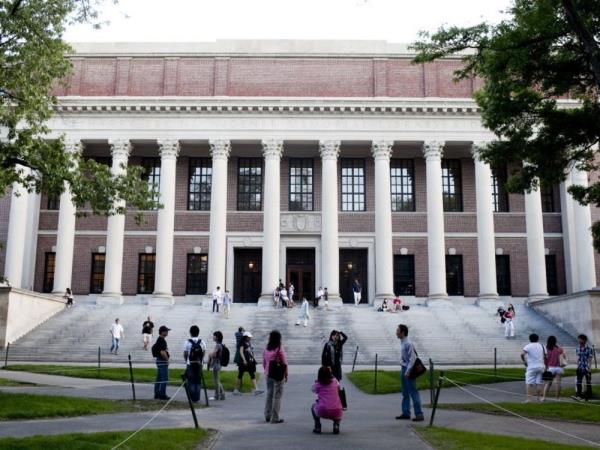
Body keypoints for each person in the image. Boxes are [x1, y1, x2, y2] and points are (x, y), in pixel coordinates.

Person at [395, 324, 424, 422]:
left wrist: (408, 371)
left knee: (413, 391)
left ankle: (419, 414)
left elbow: (412, 359)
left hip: (409, 369)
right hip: (404, 367)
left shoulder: (408, 343)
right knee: (405, 392)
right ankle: (406, 412)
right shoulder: (403, 342)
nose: (396, 332)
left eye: (398, 330)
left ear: (403, 332)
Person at [263, 330, 288, 424]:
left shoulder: (266, 348)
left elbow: (264, 362)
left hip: (268, 374)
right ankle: (275, 417)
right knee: (277, 396)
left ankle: (267, 415)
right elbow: (284, 363)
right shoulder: (279, 348)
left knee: (269, 394)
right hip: (278, 374)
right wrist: (286, 374)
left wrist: (266, 371)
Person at [311, 366, 343, 435]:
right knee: (338, 409)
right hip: (336, 410)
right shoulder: (335, 381)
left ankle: (317, 426)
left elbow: (313, 389)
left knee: (313, 407)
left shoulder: (318, 384)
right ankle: (336, 425)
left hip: (322, 410)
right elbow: (338, 388)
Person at [233, 331, 263, 395]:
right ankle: (236, 390)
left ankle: (256, 389)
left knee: (251, 374)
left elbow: (249, 351)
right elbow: (241, 352)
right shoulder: (242, 343)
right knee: (240, 375)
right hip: (244, 362)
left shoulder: (248, 343)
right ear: (245, 337)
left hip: (249, 361)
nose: (250, 338)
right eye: (249, 337)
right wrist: (244, 360)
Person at [183, 325, 206, 403]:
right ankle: (197, 397)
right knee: (198, 380)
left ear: (190, 333)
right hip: (199, 364)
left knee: (191, 380)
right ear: (198, 332)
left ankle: (192, 398)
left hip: (190, 363)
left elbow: (185, 353)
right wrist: (201, 361)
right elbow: (203, 352)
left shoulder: (187, 342)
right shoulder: (202, 342)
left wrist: (187, 361)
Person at [521, 333, 546, 402]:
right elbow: (545, 356)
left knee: (529, 383)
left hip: (531, 366)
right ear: (538, 339)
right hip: (541, 366)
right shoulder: (542, 346)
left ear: (530, 339)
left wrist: (525, 361)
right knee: (539, 383)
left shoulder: (528, 346)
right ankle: (539, 399)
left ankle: (529, 399)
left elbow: (522, 354)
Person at [542, 335, 566, 401]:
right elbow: (564, 356)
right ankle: (557, 398)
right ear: (555, 341)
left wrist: (546, 367)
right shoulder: (559, 349)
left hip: (550, 368)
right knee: (558, 383)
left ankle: (544, 397)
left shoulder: (546, 349)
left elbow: (545, 360)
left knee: (548, 383)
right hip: (559, 368)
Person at [573, 334, 594, 401]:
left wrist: (589, 369)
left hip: (586, 368)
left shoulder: (589, 349)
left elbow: (590, 359)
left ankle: (589, 395)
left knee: (588, 382)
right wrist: (577, 365)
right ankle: (579, 395)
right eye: (579, 339)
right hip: (580, 368)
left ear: (584, 340)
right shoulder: (577, 348)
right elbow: (578, 358)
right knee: (579, 382)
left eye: (580, 339)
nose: (579, 340)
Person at [152, 325, 171, 400]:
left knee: (159, 378)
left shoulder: (159, 339)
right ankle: (162, 394)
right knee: (164, 378)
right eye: (166, 331)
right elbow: (163, 352)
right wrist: (167, 361)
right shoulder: (162, 340)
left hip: (158, 360)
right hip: (162, 360)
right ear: (162, 332)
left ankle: (157, 393)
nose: (167, 332)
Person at [208, 331, 226, 401]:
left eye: (214, 336)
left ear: (217, 337)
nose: (213, 337)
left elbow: (214, 354)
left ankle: (216, 396)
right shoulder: (220, 344)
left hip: (216, 364)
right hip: (219, 363)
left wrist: (210, 354)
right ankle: (223, 394)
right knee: (217, 380)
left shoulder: (218, 345)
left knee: (216, 381)